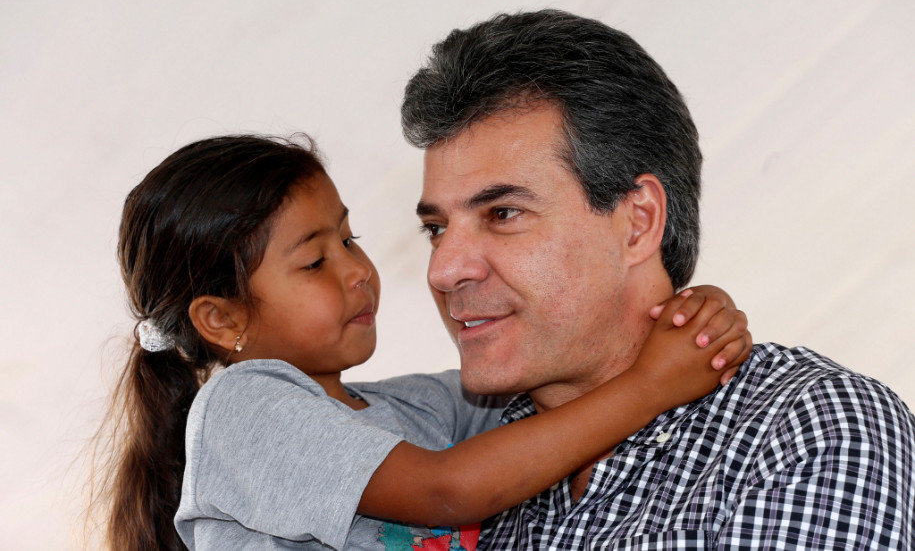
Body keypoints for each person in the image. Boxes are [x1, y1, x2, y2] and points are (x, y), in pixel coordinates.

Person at [402, 9, 915, 549]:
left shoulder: (805, 426)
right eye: (435, 228)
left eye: (502, 213)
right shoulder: (452, 444)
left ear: (638, 222)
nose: (445, 269)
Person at [99, 134, 750, 550]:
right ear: (221, 319)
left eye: (348, 239)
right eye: (313, 261)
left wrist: (677, 321)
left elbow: (542, 372)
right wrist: (653, 385)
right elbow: (449, 492)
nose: (357, 268)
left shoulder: (417, 412)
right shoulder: (241, 409)